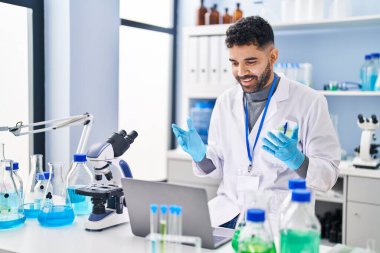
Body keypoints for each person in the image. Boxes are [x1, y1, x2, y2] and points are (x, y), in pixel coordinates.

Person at [171, 16, 340, 230]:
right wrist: (201, 156)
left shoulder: (309, 101)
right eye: (234, 63)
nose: (241, 72)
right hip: (227, 214)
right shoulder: (225, 101)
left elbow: (328, 177)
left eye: (250, 62)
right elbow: (217, 167)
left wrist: (297, 160)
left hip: (277, 222)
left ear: (273, 56)